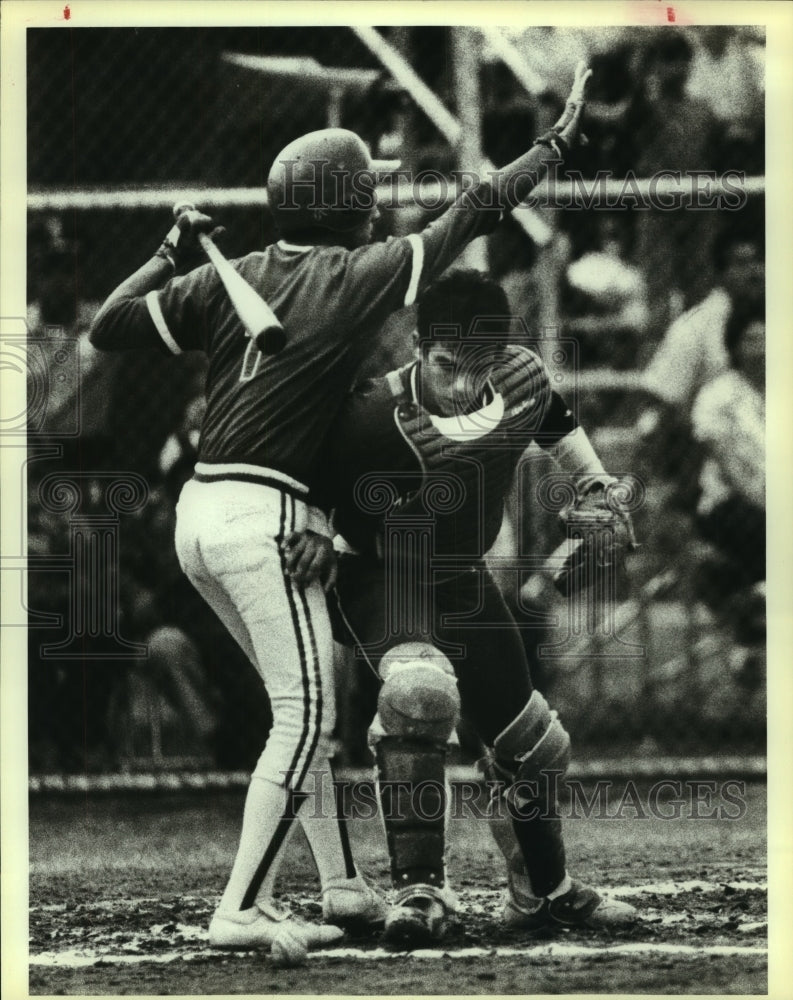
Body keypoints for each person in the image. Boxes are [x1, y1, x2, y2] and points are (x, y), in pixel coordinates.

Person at [88, 62, 595, 953]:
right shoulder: (358, 275)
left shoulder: (227, 273)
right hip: (269, 513)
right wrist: (549, 147)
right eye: (367, 194)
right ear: (348, 206)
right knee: (327, 712)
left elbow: (108, 326)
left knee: (319, 710)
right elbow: (474, 207)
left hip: (198, 515)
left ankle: (353, 888)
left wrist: (170, 250)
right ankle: (262, 904)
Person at [294, 270, 638, 947]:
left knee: (536, 745)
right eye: (448, 365)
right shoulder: (372, 415)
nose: (461, 384)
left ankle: (545, 894)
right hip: (379, 573)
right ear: (418, 346)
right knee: (418, 695)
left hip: (458, 573)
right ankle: (419, 893)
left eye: (479, 366)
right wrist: (307, 522)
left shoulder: (519, 378)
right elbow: (307, 474)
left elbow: (555, 421)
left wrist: (594, 487)